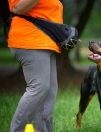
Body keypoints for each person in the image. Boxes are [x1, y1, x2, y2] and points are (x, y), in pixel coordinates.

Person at [7, 0, 63, 132]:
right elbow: (17, 7)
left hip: (46, 42)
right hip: (30, 40)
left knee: (49, 92)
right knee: (39, 87)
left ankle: (43, 130)